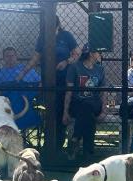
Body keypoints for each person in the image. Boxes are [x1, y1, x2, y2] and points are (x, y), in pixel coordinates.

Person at [16, 15, 81, 151]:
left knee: (62, 112)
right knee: (50, 112)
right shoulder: (42, 37)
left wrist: (66, 62)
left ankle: (58, 144)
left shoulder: (66, 36)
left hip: (64, 80)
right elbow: (35, 58)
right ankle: (50, 145)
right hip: (48, 81)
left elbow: (77, 54)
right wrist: (22, 74)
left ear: (57, 25)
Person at [62, 43, 107, 160]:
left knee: (88, 106)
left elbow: (103, 92)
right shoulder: (74, 67)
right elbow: (69, 91)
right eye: (99, 52)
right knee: (87, 113)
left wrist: (104, 110)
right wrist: (65, 112)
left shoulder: (100, 69)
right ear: (91, 54)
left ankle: (75, 138)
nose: (100, 55)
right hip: (78, 104)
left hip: (95, 104)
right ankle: (88, 153)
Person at [0, 46, 41, 129]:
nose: (10, 58)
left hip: (23, 98)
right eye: (7, 56)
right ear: (3, 58)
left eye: (12, 56)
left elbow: (39, 84)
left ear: (16, 57)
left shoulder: (27, 70)